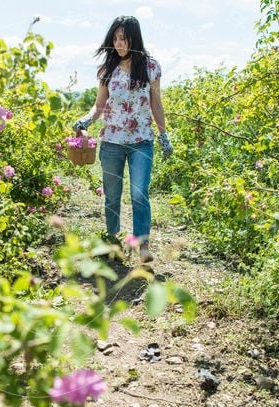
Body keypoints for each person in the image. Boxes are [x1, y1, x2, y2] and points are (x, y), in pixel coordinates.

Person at [73, 15, 173, 264]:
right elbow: (98, 107)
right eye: (115, 39)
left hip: (142, 141)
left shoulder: (151, 67)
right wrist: (85, 121)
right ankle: (112, 242)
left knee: (139, 194)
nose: (118, 43)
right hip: (112, 143)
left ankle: (142, 245)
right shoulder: (107, 70)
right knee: (112, 195)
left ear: (134, 39)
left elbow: (156, 104)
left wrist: (164, 135)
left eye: (123, 38)